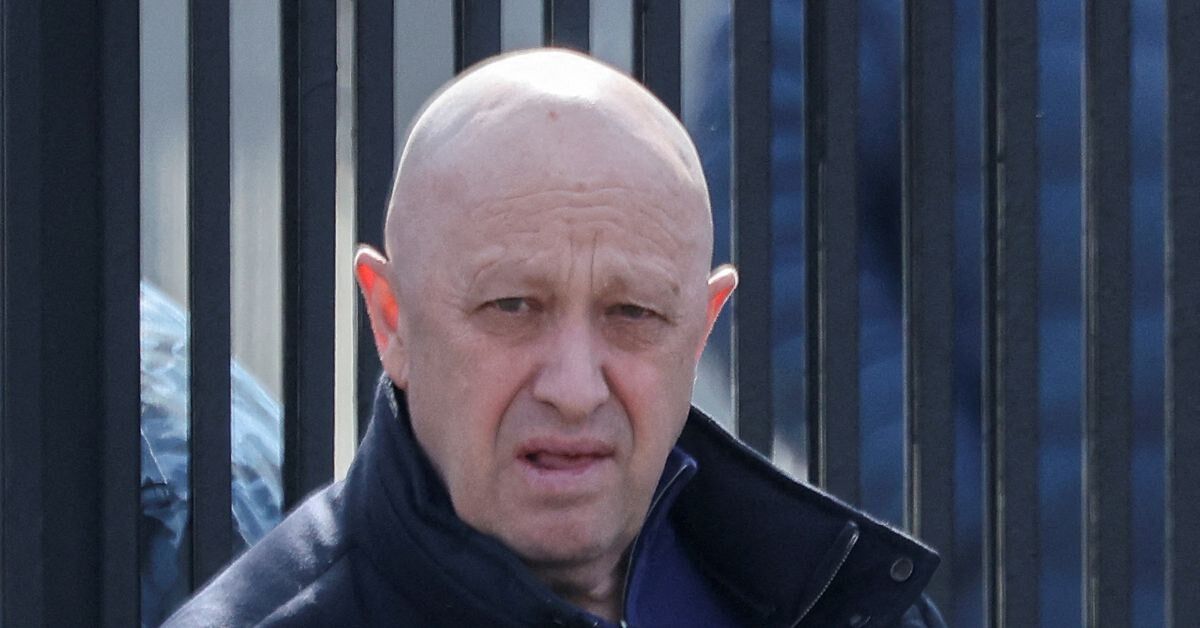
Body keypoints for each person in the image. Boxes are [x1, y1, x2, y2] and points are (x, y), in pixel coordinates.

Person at [165, 49, 945, 627]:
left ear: (702, 329)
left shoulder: (848, 604)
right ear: (391, 319)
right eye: (512, 307)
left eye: (633, 314)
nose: (574, 388)